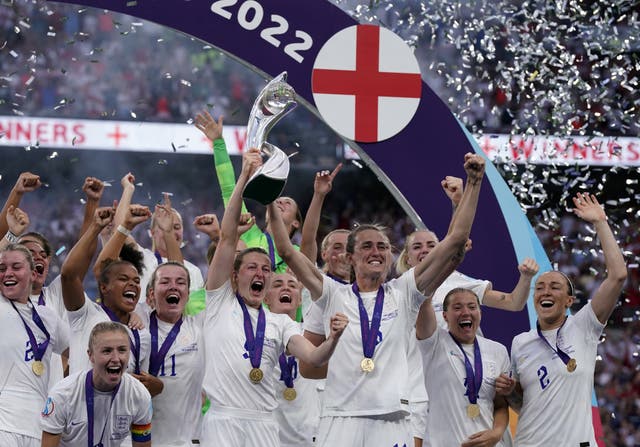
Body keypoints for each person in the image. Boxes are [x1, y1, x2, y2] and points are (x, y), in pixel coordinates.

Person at [269, 152, 486, 446]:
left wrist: (474, 183)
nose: (376, 251)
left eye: (383, 247)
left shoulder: (405, 291)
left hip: (392, 419)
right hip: (339, 419)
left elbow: (456, 240)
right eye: (367, 246)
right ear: (351, 258)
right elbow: (286, 251)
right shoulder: (332, 293)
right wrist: (269, 200)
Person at [201, 147, 348, 447]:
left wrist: (332, 339)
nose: (260, 273)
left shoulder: (282, 324)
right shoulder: (219, 302)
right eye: (252, 267)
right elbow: (228, 237)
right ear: (234, 275)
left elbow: (314, 357)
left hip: (266, 427)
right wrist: (243, 176)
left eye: (266, 269)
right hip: (223, 421)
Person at [496, 192, 627, 446]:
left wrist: (600, 222)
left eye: (555, 287)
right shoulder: (520, 342)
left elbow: (618, 276)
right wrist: (510, 392)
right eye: (540, 287)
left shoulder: (584, 325)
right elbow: (524, 405)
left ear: (569, 301)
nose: (545, 291)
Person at [61, 205, 157, 398]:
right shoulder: (86, 314)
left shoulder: (141, 331)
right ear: (104, 287)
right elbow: (69, 275)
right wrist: (99, 228)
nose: (133, 284)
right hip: (82, 420)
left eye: (137, 281)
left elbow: (141, 384)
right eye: (123, 279)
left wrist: (156, 387)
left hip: (122, 423)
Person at [416, 287, 511, 446]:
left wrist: (497, 433)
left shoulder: (498, 351)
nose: (466, 312)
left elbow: (501, 405)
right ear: (445, 316)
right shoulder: (433, 343)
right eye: (457, 307)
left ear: (480, 313)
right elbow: (424, 306)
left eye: (472, 307)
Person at [40, 321, 153, 447]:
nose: (116, 358)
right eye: (107, 351)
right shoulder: (63, 394)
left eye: (122, 350)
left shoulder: (139, 394)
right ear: (91, 355)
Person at [0, 244, 69, 447]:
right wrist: (10, 232)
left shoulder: (47, 316)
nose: (8, 273)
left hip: (40, 427)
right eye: (2, 268)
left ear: (33, 273)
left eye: (16, 267)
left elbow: (80, 352)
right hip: (4, 425)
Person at [141, 261, 207, 446]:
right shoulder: (138, 324)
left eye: (180, 282)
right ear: (151, 294)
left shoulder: (199, 327)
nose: (173, 286)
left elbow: (220, 286)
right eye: (165, 282)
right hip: (142, 441)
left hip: (187, 441)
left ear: (187, 294)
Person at [264, 272, 321, 447]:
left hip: (308, 434)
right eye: (277, 284)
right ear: (266, 297)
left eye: (292, 285)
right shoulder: (256, 335)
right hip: (268, 434)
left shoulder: (312, 336)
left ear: (300, 300)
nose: (286, 287)